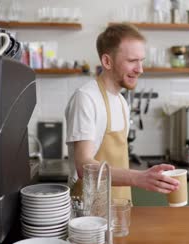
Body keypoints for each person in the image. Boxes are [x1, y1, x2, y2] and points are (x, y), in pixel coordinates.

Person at [65, 23, 179, 202]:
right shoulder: (86, 98)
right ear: (107, 61)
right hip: (89, 214)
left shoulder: (121, 102)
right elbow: (84, 166)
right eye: (132, 61)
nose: (140, 69)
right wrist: (139, 177)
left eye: (142, 61)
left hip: (119, 208)